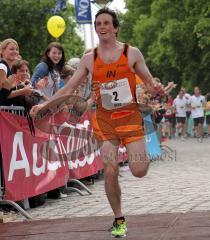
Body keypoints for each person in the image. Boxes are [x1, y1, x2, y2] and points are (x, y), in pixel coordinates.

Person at [31, 8, 164, 237]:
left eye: (105, 23)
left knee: (139, 170)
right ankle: (118, 219)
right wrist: (44, 106)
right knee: (110, 169)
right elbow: (69, 88)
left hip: (130, 119)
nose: (101, 27)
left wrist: (155, 89)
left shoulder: (132, 53)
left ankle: (137, 162)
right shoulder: (88, 59)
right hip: (104, 121)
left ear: (115, 27)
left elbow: (150, 82)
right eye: (98, 24)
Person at [0, 38, 19, 105]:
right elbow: (3, 93)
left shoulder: (8, 68)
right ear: (2, 51)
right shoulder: (2, 67)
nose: (15, 52)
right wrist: (22, 91)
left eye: (16, 49)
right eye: (11, 49)